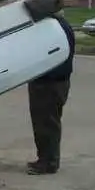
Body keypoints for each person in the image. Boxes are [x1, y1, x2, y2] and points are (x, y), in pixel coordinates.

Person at [26, 13, 75, 175]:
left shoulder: (51, 28)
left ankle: (48, 162)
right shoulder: (60, 24)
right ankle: (46, 158)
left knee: (47, 124)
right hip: (55, 82)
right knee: (46, 123)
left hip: (49, 83)